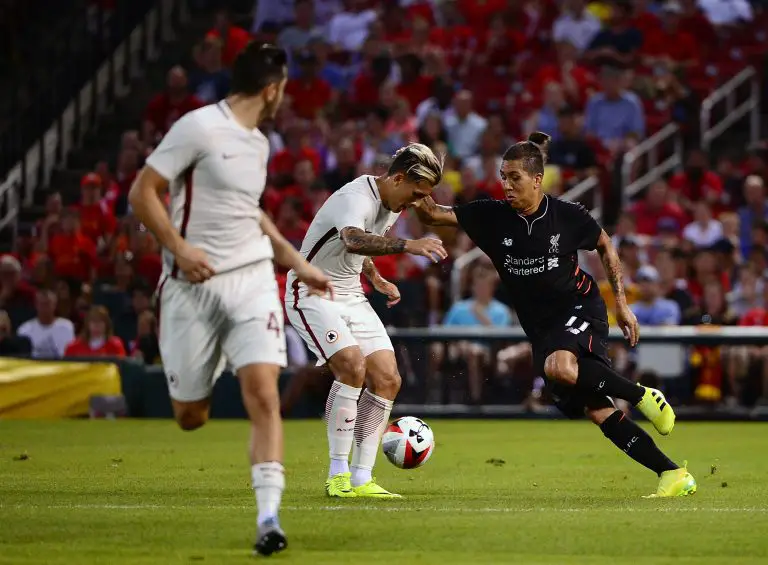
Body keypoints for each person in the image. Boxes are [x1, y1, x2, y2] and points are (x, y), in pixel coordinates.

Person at [128, 43, 332, 557]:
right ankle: (216, 352)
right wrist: (177, 246)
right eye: (282, 88)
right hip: (190, 287)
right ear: (271, 89)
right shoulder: (198, 128)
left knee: (264, 395)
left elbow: (251, 213)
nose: (282, 97)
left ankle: (269, 519)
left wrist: (296, 261)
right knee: (190, 416)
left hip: (250, 280)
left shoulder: (260, 144)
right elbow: (141, 192)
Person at [412, 132, 697, 498]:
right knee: (597, 410)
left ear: (536, 179)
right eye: (503, 176)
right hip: (542, 328)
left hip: (580, 307)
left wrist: (622, 304)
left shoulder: (568, 215)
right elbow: (432, 213)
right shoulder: (490, 217)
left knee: (559, 366)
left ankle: (642, 395)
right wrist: (420, 180)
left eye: (514, 177)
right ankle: (672, 474)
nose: (506, 185)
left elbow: (605, 245)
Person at [286, 143, 446, 499]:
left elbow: (361, 245)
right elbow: (353, 238)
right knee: (352, 366)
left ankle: (362, 477)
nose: (416, 202)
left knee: (388, 378)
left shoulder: (392, 201)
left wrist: (374, 279)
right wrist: (408, 246)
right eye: (416, 193)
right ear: (398, 178)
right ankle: (338, 475)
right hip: (312, 290)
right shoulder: (356, 196)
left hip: (350, 293)